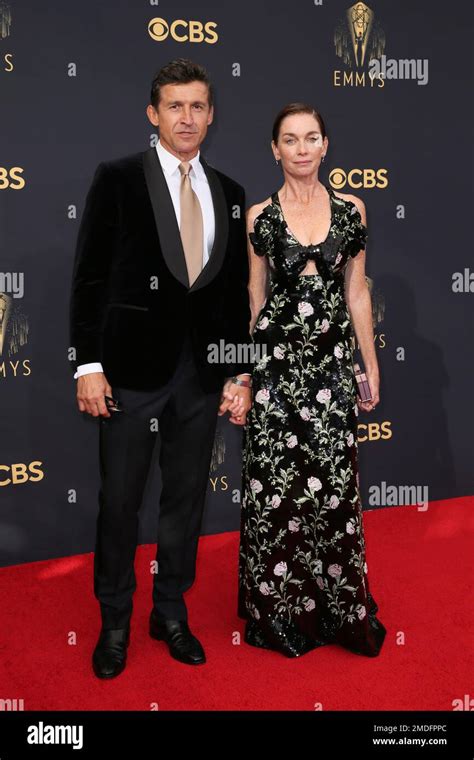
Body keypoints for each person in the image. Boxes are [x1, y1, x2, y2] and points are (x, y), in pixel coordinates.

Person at [69, 58, 252, 678]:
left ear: (211, 114)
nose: (188, 117)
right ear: (153, 114)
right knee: (120, 502)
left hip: (200, 377)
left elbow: (230, 296)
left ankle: (169, 610)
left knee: (185, 500)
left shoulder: (229, 191)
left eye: (198, 106)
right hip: (128, 372)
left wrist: (237, 372)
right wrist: (87, 363)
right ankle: (114, 619)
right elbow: (90, 277)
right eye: (175, 106)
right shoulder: (118, 178)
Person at [237, 103, 386, 658]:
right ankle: (276, 611)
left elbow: (358, 290)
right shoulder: (259, 217)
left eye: (311, 138)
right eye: (290, 139)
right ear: (274, 149)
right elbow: (254, 298)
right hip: (277, 370)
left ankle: (339, 607)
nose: (301, 148)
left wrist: (368, 362)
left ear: (326, 145)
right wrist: (249, 375)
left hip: (330, 367)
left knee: (333, 489)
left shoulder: (353, 209)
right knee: (274, 492)